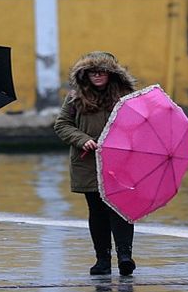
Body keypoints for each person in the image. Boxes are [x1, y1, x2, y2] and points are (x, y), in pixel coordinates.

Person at [54, 51, 139, 276]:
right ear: (85, 74)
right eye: (93, 72)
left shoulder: (126, 97)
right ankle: (102, 259)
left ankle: (124, 256)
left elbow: (138, 126)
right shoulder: (75, 97)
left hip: (120, 162)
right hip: (88, 162)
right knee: (97, 210)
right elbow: (62, 125)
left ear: (111, 73)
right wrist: (83, 140)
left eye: (102, 71)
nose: (98, 76)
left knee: (121, 208)